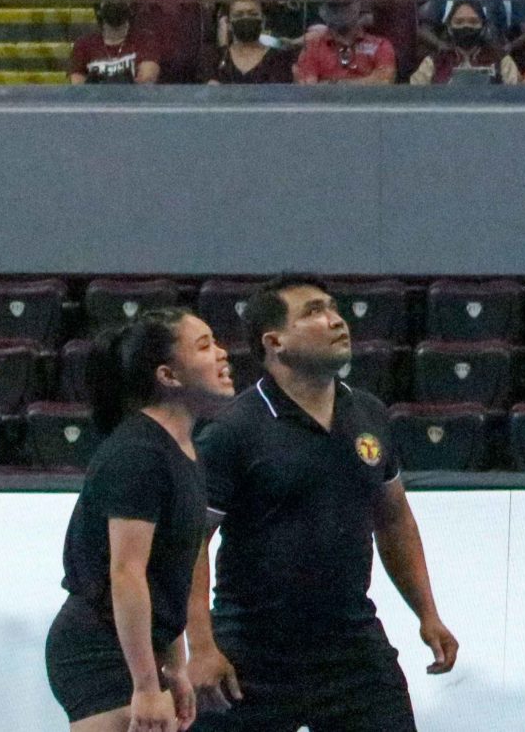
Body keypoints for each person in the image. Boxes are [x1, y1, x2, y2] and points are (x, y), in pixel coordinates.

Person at [184, 277, 460, 732]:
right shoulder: (235, 430)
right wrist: (202, 648)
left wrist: (427, 614)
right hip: (253, 651)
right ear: (274, 343)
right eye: (312, 312)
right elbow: (190, 540)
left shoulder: (367, 414)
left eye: (333, 308)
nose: (335, 321)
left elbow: (393, 519)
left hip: (352, 644)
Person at [42, 308, 235, 732]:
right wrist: (147, 686)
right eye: (204, 346)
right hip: (98, 650)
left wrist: (174, 669)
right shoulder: (139, 454)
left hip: (137, 649)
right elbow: (126, 575)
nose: (223, 354)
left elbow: (167, 578)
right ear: (168, 376)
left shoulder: (184, 452)